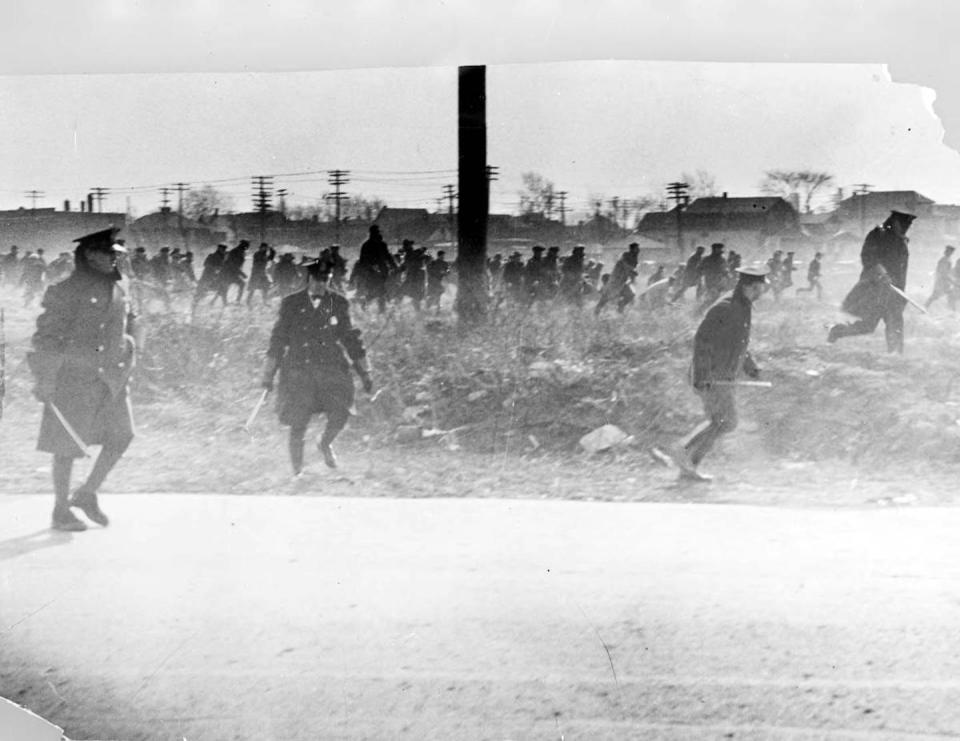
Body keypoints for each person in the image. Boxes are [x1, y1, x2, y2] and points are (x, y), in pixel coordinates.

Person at [28, 228, 138, 531]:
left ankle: (87, 493)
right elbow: (46, 337)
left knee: (122, 435)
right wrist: (45, 377)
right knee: (66, 446)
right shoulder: (64, 289)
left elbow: (130, 323)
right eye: (109, 252)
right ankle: (60, 510)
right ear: (90, 255)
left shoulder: (121, 286)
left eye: (117, 253)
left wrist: (129, 355)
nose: (116, 257)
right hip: (72, 378)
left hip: (111, 378)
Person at [652, 267, 768, 482]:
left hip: (724, 376)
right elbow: (702, 340)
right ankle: (683, 451)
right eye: (762, 286)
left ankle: (687, 465)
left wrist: (750, 367)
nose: (765, 290)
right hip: (712, 376)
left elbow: (739, 342)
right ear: (750, 286)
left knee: (722, 422)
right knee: (724, 421)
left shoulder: (743, 307)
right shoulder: (725, 308)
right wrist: (703, 374)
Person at [260, 258, 373, 475]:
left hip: (330, 369)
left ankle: (324, 442)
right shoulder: (291, 303)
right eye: (318, 279)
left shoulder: (336, 302)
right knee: (298, 422)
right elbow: (278, 340)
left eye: (326, 279)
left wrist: (365, 372)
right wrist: (268, 375)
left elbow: (350, 338)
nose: (322, 283)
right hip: (299, 370)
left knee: (342, 412)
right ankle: (297, 473)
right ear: (309, 278)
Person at [828, 210, 915, 353]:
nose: (907, 226)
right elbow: (868, 257)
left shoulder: (901, 240)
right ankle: (837, 331)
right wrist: (883, 274)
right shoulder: (878, 234)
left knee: (896, 324)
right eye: (905, 222)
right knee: (867, 326)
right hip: (876, 290)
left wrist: (901, 293)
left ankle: (895, 356)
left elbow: (901, 270)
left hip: (894, 292)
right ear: (895, 221)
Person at [925, 244, 955, 311]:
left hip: (942, 281)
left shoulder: (946, 260)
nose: (946, 251)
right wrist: (951, 280)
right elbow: (943, 272)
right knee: (936, 296)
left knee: (949, 295)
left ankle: (952, 310)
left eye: (949, 251)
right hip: (942, 281)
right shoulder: (946, 260)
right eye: (947, 250)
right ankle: (952, 310)